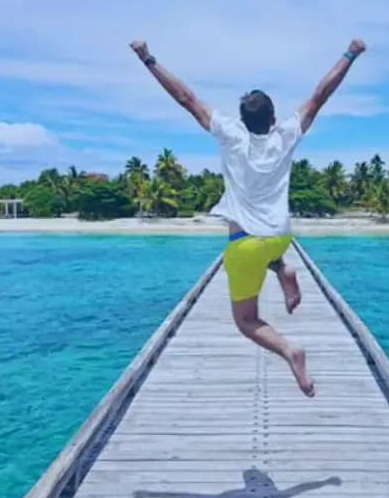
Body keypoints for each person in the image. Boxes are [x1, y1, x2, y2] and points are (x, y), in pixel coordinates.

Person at [130, 38, 366, 396]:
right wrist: (350, 54)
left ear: (241, 120)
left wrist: (147, 58)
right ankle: (284, 269)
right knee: (269, 249)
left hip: (244, 245)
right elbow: (321, 95)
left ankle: (290, 350)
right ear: (273, 119)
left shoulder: (230, 135)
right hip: (281, 237)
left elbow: (186, 99)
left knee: (246, 321)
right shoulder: (286, 135)